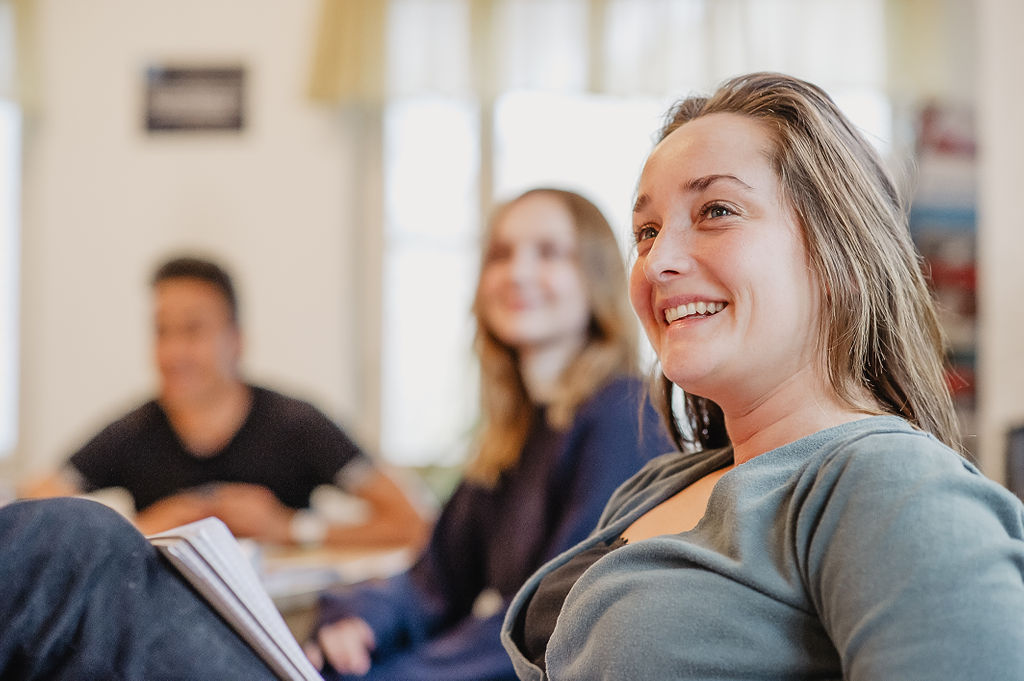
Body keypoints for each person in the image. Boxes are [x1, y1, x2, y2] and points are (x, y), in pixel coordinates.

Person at [499, 72, 1024, 680]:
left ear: (839, 254)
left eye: (717, 211)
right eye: (647, 232)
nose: (659, 261)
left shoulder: (891, 484)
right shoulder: (658, 486)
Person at [305, 188, 672, 680]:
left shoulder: (624, 416)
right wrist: (357, 621)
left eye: (548, 252)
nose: (517, 273)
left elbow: (554, 624)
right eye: (500, 254)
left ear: (596, 277)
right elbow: (433, 582)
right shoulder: (515, 434)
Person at [20, 256, 425, 549]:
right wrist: (140, 529)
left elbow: (412, 521)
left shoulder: (296, 424)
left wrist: (291, 528)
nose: (174, 352)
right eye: (162, 331)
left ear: (237, 340)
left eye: (193, 330)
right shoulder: (132, 431)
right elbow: (25, 515)